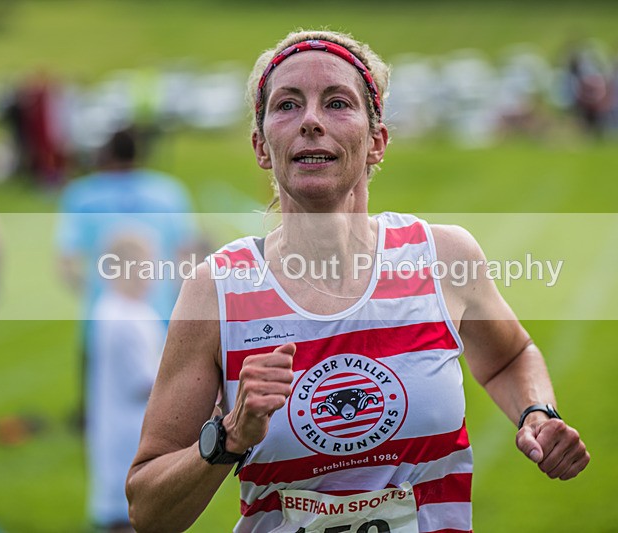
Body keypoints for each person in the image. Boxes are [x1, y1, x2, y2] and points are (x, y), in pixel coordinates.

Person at [127, 30, 590, 533]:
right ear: (262, 147)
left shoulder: (442, 257)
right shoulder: (216, 291)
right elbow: (149, 510)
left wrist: (536, 414)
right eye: (287, 104)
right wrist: (230, 435)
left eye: (337, 103)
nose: (310, 121)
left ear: (377, 141)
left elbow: (509, 357)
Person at [56, 125, 198, 431]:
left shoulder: (82, 195)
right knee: (162, 416)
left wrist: (92, 291)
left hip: (102, 319)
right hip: (158, 317)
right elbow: (187, 258)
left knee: (104, 414)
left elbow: (67, 264)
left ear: (105, 153)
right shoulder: (168, 192)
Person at [87, 233, 166, 532]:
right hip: (130, 427)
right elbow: (143, 380)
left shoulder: (108, 308)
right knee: (130, 509)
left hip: (115, 421)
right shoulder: (127, 319)